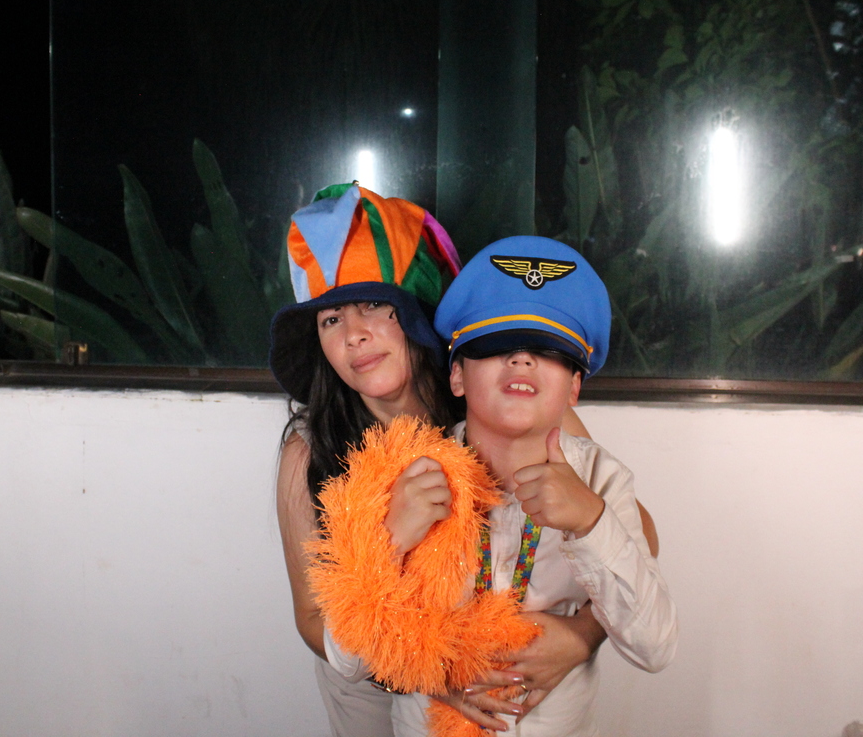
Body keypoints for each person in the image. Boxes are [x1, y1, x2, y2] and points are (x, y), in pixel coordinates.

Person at [271, 184, 618, 736]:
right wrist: (430, 670)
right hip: (369, 681)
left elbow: (630, 533)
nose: (355, 335)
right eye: (330, 319)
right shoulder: (308, 450)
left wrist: (582, 636)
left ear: (413, 313)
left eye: (373, 306)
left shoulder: (498, 397)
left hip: (501, 676)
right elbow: (312, 619)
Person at [377, 234, 679, 735]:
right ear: (457, 376)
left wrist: (590, 522)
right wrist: (391, 542)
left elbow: (656, 647)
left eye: (547, 349)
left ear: (575, 385)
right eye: (495, 344)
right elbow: (346, 655)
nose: (521, 360)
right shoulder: (404, 474)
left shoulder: (601, 481)